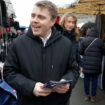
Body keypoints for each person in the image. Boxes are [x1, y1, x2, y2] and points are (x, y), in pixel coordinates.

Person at [3, 1, 79, 105]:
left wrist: (66, 81)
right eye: (33, 16)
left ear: (53, 21)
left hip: (59, 101)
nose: (34, 20)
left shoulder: (65, 44)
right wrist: (31, 87)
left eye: (41, 17)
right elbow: (8, 73)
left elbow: (74, 70)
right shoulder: (18, 43)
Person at [79, 26, 105, 102]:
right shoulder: (100, 41)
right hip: (96, 65)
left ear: (88, 33)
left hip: (86, 64)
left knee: (86, 80)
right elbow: (104, 52)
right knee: (94, 80)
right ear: (97, 34)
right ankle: (93, 97)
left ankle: (87, 95)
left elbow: (80, 51)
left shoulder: (84, 40)